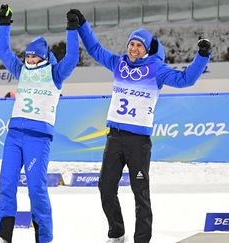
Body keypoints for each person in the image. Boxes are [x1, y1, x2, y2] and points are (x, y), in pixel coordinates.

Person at [68, 9, 211, 243]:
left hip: (138, 142)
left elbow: (186, 80)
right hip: (114, 137)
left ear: (146, 49)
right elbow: (94, 49)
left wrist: (202, 56)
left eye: (139, 46)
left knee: (140, 193)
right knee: (105, 187)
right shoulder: (118, 63)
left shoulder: (157, 70)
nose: (134, 49)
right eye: (131, 44)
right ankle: (116, 233)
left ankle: (142, 239)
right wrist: (82, 24)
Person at [0, 5, 79, 243]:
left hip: (38, 138)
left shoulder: (55, 73)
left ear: (44, 56)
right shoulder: (21, 70)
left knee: (36, 189)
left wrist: (72, 28)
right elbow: (3, 50)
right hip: (14, 136)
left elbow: (72, 58)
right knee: (6, 184)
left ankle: (44, 237)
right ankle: (1, 235)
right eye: (27, 55)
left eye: (33, 55)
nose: (29, 59)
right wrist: (4, 24)